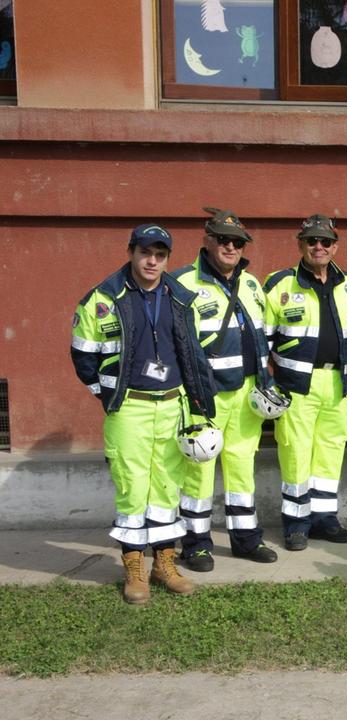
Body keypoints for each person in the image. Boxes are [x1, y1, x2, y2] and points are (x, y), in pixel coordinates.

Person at [70, 223, 219, 604]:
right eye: (145, 253)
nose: (152, 261)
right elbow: (83, 353)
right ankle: (133, 569)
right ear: (131, 252)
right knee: (132, 487)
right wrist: (106, 393)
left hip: (173, 404)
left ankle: (164, 564)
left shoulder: (180, 296)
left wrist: (200, 401)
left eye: (160, 254)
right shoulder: (104, 297)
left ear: (167, 258)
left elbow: (193, 354)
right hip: (129, 406)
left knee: (168, 486)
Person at [173, 207, 278, 571]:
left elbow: (261, 336)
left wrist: (265, 381)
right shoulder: (183, 283)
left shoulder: (250, 283)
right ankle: (196, 545)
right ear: (207, 241)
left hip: (245, 395)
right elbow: (175, 345)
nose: (231, 247)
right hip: (204, 396)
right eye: (223, 239)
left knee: (241, 468)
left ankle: (246, 539)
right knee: (198, 471)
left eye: (237, 241)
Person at [263, 214, 347, 551]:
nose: (318, 246)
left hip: (336, 383)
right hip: (295, 386)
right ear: (300, 244)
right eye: (311, 241)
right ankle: (296, 523)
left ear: (335, 246)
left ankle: (324, 518)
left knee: (330, 453)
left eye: (325, 241)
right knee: (295, 453)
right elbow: (263, 343)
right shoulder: (280, 285)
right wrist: (268, 382)